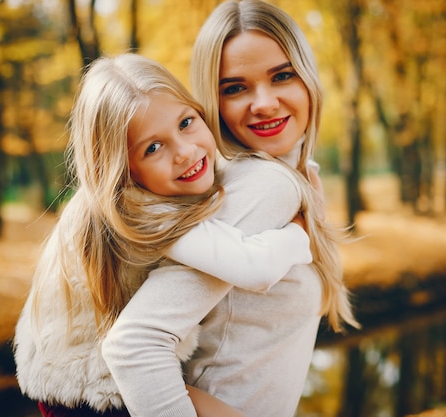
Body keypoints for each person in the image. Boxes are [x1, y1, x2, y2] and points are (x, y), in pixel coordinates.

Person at [13, 53, 315, 417]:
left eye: (186, 122)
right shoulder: (138, 211)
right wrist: (300, 232)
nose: (185, 152)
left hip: (76, 384)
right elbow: (255, 268)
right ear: (121, 169)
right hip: (94, 395)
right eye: (153, 148)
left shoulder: (117, 199)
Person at [102, 1, 359, 416]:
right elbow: (136, 344)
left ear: (308, 77)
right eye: (235, 88)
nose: (264, 103)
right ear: (211, 100)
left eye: (282, 75)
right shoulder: (262, 185)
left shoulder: (293, 175)